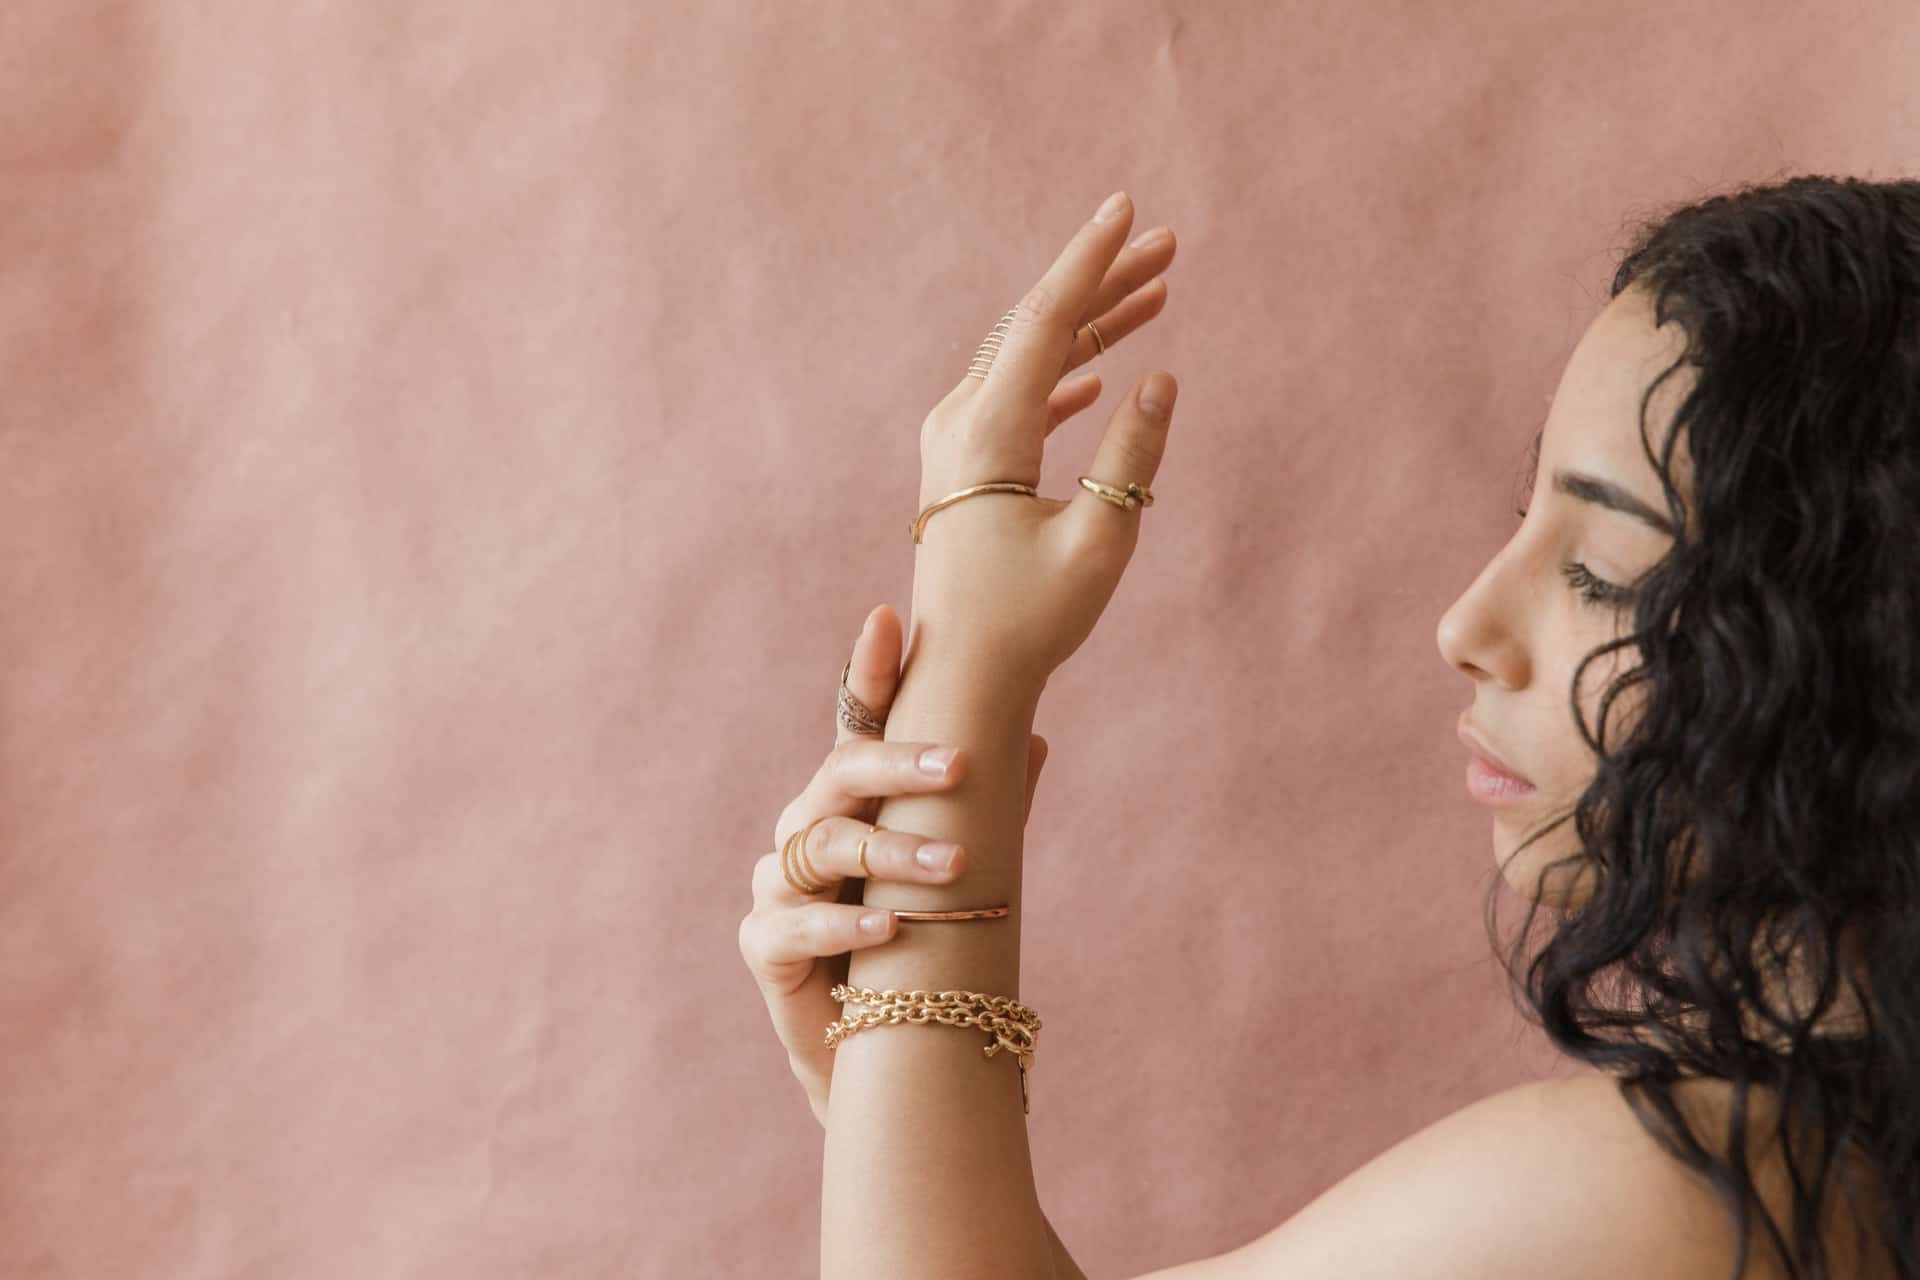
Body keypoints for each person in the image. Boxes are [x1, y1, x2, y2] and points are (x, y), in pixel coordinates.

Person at [736, 175, 1916, 1279]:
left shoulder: (1696, 1193)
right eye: (1526, 516)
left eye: (1601, 570)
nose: (1466, 623)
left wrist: (968, 677)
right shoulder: (1823, 1170)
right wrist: (884, 1083)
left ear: (1865, 637)